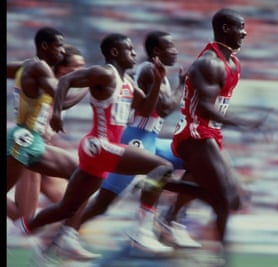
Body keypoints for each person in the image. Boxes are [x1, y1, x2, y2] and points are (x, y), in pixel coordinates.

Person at [15, 33, 197, 258]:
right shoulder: (103, 73)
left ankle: (23, 230)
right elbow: (65, 81)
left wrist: (159, 81)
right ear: (114, 53)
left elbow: (147, 109)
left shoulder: (128, 82)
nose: (134, 54)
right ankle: (141, 230)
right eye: (129, 50)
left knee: (68, 208)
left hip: (103, 151)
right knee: (161, 167)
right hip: (99, 145)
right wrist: (58, 113)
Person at [170, 8, 263, 248]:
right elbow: (203, 109)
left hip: (211, 133)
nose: (244, 33)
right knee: (224, 198)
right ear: (225, 29)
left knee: (235, 201)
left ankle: (170, 215)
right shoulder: (208, 63)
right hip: (194, 133)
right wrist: (244, 123)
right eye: (240, 27)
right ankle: (219, 256)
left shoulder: (234, 62)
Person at [7, 44, 87, 222]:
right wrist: (87, 87)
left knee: (73, 207)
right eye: (77, 68)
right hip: (29, 149)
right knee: (25, 219)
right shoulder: (47, 84)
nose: (83, 72)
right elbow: (64, 102)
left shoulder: (56, 85)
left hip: (44, 150)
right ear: (64, 69)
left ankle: (62, 239)